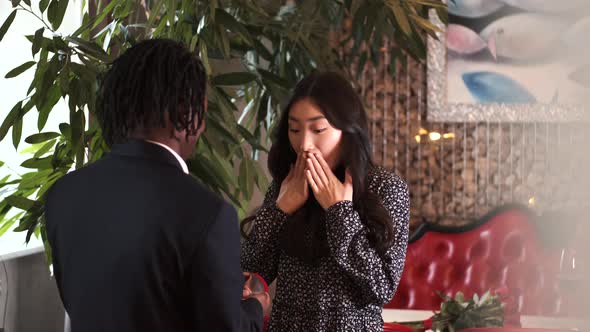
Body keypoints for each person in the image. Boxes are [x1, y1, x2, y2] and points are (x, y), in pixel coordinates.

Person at [45, 39, 269, 332]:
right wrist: (255, 307)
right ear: (184, 113)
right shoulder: (207, 215)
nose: (201, 126)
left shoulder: (63, 195)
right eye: (202, 109)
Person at [240, 71, 410, 331]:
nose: (305, 144)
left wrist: (339, 210)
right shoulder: (287, 184)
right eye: (295, 129)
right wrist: (280, 210)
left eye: (318, 129)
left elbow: (382, 287)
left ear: (348, 129)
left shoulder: (385, 187)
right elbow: (250, 270)